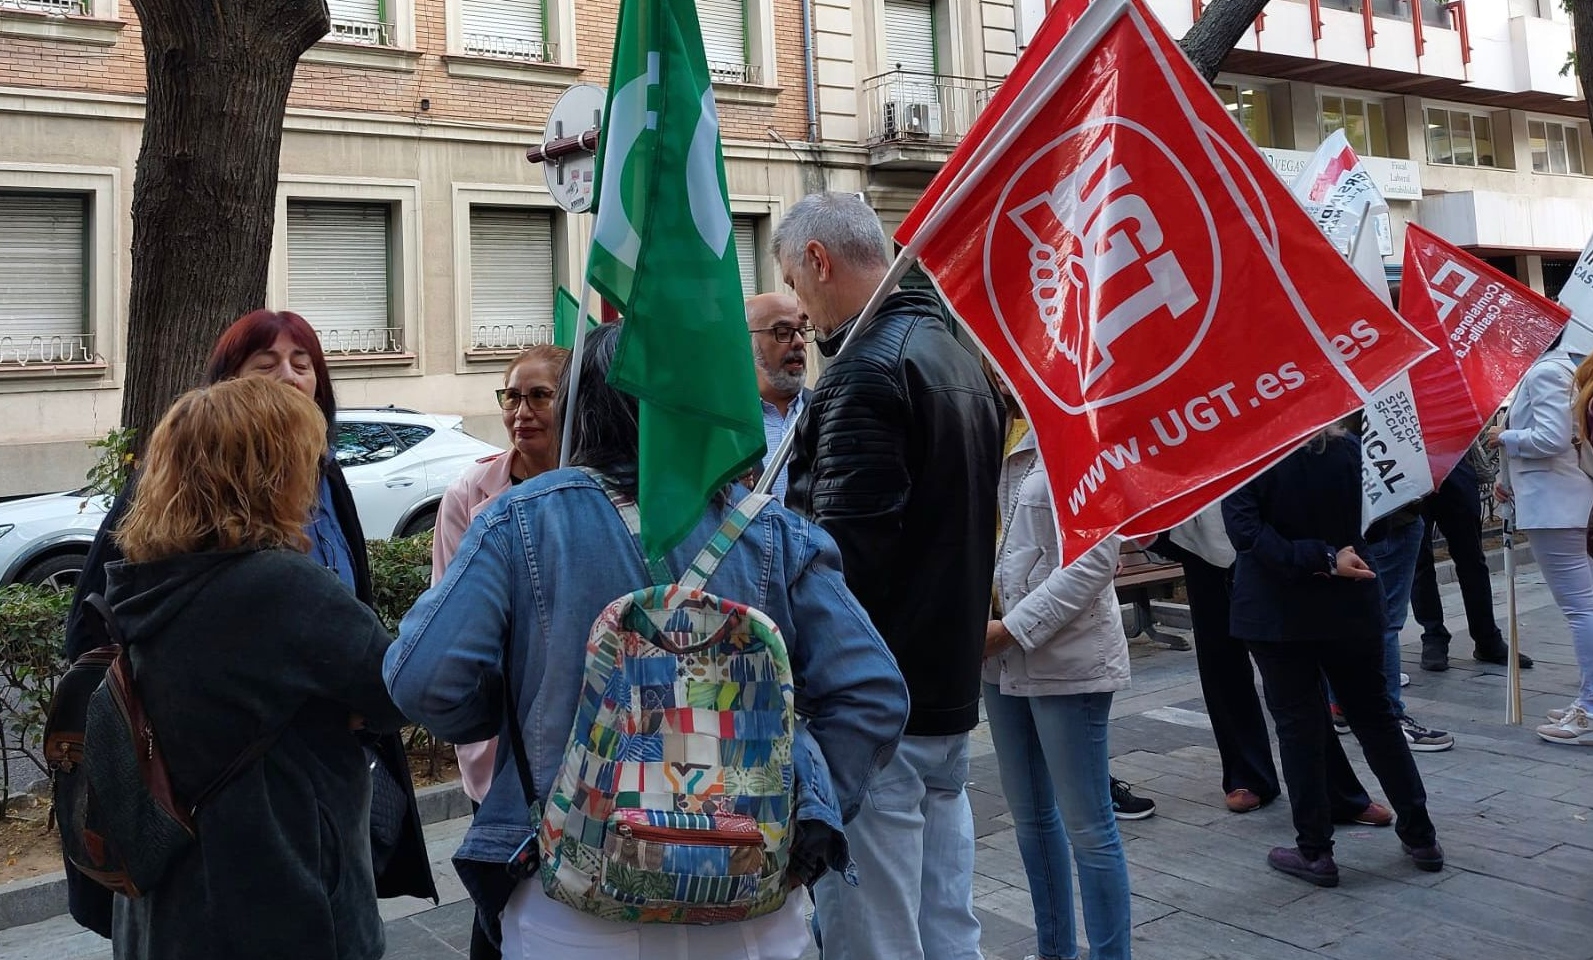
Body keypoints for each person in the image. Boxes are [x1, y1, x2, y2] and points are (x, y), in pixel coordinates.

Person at [383, 323, 910, 960]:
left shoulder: (521, 520)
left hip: (571, 889)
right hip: (747, 891)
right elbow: (873, 692)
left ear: (581, 407)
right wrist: (805, 814)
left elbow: (421, 677)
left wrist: (513, 709)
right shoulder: (770, 529)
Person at [62, 309, 437, 937]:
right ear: (264, 471)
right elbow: (400, 684)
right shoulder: (281, 586)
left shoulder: (147, 575)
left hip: (168, 902)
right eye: (296, 456)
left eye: (302, 364)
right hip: (278, 887)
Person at [775, 191, 1002, 960]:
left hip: (874, 714)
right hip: (943, 695)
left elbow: (839, 565)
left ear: (818, 260)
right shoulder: (955, 356)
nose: (799, 311)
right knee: (946, 926)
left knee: (873, 937)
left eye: (795, 285)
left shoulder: (864, 371)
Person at [1224, 427, 1443, 887]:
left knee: (1299, 729)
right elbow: (1379, 523)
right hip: (1349, 603)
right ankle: (1421, 834)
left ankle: (1315, 851)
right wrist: (1332, 550)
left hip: (1278, 612)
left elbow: (1245, 532)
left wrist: (1317, 556)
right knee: (1375, 719)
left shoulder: (1249, 450)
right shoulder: (1350, 450)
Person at [431, 343, 568, 960]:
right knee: (500, 897)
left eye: (539, 396)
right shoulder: (471, 492)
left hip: (574, 731)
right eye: (511, 397)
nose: (521, 411)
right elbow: (449, 616)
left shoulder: (596, 487)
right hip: (500, 736)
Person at [986, 396, 1133, 960]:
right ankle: (1055, 951)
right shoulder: (986, 427)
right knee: (1030, 820)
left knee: (1089, 828)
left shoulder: (1078, 429)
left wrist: (1013, 628)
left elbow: (1095, 559)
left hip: (1065, 660)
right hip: (997, 660)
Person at [1153, 512, 1390, 818]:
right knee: (1221, 663)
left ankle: (1336, 790)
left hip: (1271, 537)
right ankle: (1247, 775)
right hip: (1201, 537)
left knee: (1295, 667)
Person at [1490, 342, 1593, 744]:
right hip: (1558, 501)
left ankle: (1589, 708)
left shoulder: (1547, 371)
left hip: (1555, 505)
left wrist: (1504, 436)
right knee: (1584, 607)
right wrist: (1509, 478)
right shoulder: (1558, 368)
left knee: (1581, 609)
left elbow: (1551, 439)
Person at [1409, 446, 1524, 672]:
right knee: (1419, 561)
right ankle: (1433, 636)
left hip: (1454, 460)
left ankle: (1486, 638)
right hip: (1411, 465)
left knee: (1471, 558)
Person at [1358, 503, 1456, 751]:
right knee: (1385, 621)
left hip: (1356, 525)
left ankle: (1341, 707)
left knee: (1356, 620)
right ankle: (1390, 718)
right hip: (1387, 517)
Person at [744, 293, 812, 501]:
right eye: (783, 332)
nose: (799, 342)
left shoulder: (828, 410)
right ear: (745, 340)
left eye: (803, 331)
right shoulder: (728, 425)